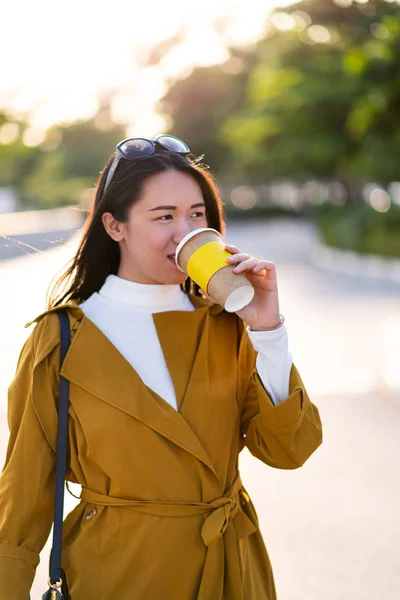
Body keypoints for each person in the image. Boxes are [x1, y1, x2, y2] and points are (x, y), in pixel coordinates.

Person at [0, 134, 322, 599]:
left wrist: (268, 330)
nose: (185, 233)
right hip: (117, 574)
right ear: (115, 226)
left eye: (197, 214)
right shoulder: (61, 338)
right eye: (164, 217)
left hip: (230, 573)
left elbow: (289, 450)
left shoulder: (227, 325)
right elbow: (22, 492)